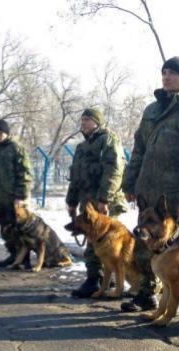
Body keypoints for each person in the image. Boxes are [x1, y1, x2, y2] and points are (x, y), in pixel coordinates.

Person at [121, 56, 179, 312]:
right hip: (147, 195)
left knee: (176, 253)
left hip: (173, 199)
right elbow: (139, 149)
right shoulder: (152, 110)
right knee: (143, 247)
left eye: (172, 73)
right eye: (164, 72)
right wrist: (130, 183)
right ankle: (147, 293)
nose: (166, 77)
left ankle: (175, 298)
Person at [66, 108, 127, 297]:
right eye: (82, 119)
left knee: (108, 243)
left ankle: (108, 282)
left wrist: (104, 199)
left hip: (104, 203)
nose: (83, 123)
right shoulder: (82, 148)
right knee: (93, 243)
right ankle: (95, 279)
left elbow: (114, 171)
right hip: (88, 204)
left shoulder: (108, 140)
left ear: (97, 123)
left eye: (87, 120)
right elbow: (75, 177)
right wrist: (71, 201)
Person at [0, 119, 33, 267]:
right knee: (5, 229)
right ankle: (13, 255)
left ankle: (24, 259)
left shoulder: (16, 148)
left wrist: (20, 196)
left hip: (13, 198)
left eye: (0, 133)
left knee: (18, 229)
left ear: (6, 133)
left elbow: (25, 174)